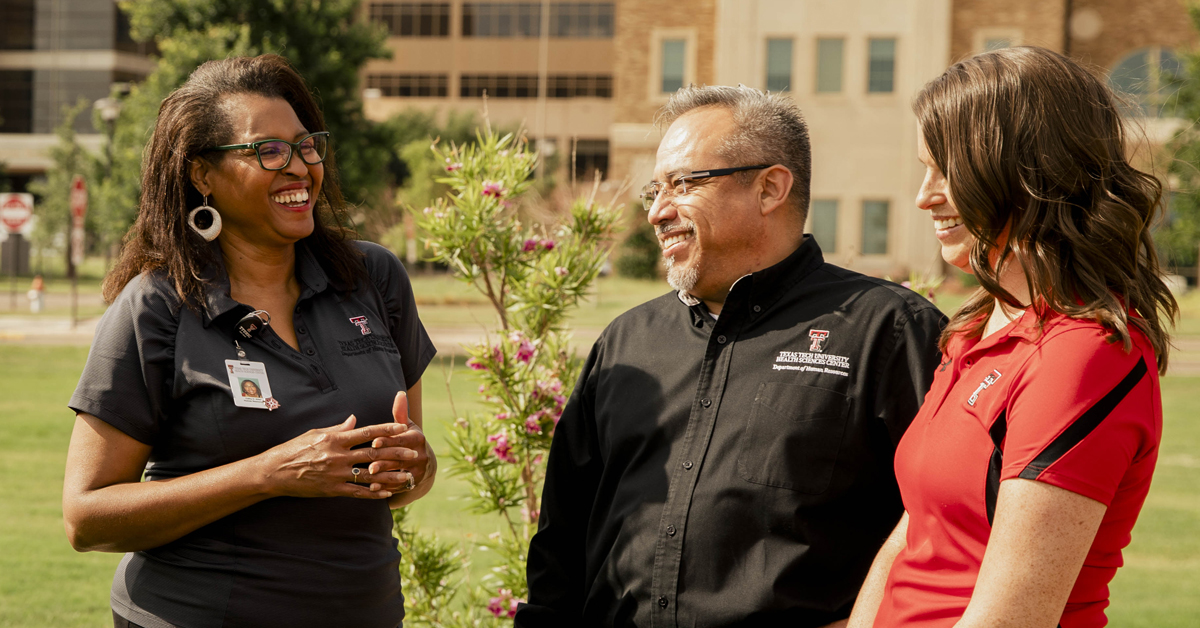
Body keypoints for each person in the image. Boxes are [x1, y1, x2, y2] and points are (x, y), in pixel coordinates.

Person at [517, 85, 947, 627]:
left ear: (770, 188)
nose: (656, 212)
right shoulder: (627, 342)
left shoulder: (888, 331)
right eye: (654, 189)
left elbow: (945, 527)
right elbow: (562, 539)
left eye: (682, 184)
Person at [62, 55, 438, 628]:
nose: (298, 167)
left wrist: (413, 466)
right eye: (268, 151)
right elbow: (86, 517)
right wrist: (267, 474)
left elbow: (409, 474)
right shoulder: (158, 306)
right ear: (202, 175)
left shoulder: (373, 278)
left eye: (306, 145)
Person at [847, 46, 1177, 628]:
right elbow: (915, 535)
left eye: (948, 171)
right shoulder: (976, 328)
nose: (925, 196)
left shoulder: (1081, 353)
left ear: (1023, 174)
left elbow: (1011, 618)